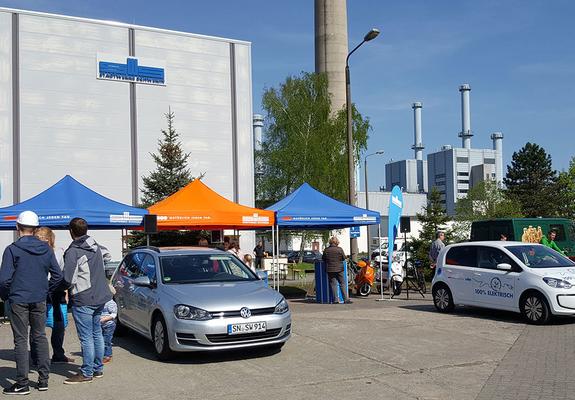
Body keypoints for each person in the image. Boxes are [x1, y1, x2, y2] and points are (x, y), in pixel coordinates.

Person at [0, 211, 63, 394]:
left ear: (17, 227)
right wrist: (46, 290)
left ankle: (22, 383)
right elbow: (58, 276)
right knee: (40, 337)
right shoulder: (47, 249)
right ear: (35, 228)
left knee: (20, 340)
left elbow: (4, 280)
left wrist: (6, 296)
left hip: (18, 298)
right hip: (39, 298)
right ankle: (43, 380)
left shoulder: (12, 249)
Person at [62, 217, 112, 385]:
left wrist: (56, 287)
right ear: (86, 230)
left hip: (84, 298)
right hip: (100, 296)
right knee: (96, 333)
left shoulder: (74, 251)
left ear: (71, 231)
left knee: (86, 338)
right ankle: (97, 369)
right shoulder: (95, 245)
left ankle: (87, 372)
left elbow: (67, 279)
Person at [34, 227, 75, 364]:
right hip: (42, 291)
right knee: (37, 326)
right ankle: (37, 356)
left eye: (43, 238)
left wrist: (66, 292)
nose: (41, 241)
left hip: (56, 292)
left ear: (49, 239)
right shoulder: (33, 253)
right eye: (39, 238)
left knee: (59, 325)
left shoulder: (58, 252)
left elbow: (63, 274)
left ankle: (58, 354)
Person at [322, 237, 351, 304]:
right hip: (339, 269)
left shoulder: (326, 250)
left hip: (330, 269)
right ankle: (346, 299)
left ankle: (335, 300)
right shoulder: (339, 249)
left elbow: (323, 258)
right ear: (337, 242)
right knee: (342, 283)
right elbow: (343, 258)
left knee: (333, 284)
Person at [100, 296, 117, 364]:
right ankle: (101, 354)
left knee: (106, 340)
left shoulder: (111, 303)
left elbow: (114, 314)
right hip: (100, 324)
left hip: (109, 325)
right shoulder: (99, 301)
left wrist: (104, 319)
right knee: (100, 340)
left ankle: (107, 355)